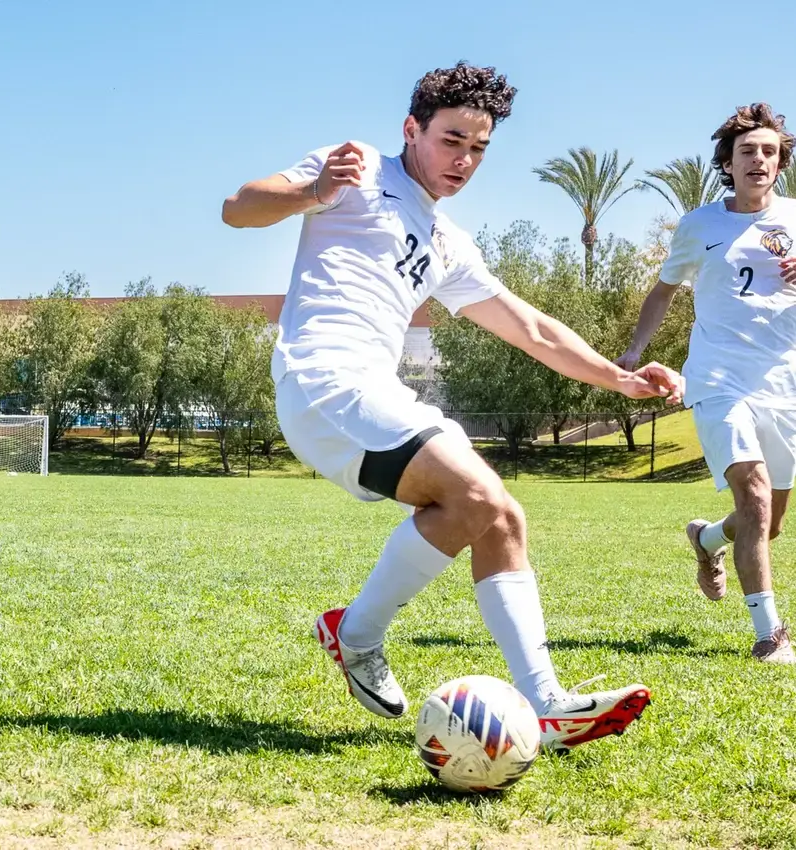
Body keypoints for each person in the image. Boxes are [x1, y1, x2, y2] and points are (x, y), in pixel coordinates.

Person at [223, 62, 683, 749]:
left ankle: (506, 691)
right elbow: (239, 208)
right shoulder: (355, 168)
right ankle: (374, 640)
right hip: (322, 378)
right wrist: (315, 190)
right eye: (450, 140)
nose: (464, 160)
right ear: (412, 130)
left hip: (371, 393)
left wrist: (618, 380)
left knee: (492, 514)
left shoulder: (447, 244)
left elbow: (529, 327)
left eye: (478, 148)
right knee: (478, 492)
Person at [617, 103, 796, 663]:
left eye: (769, 151)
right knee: (755, 497)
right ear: (728, 161)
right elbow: (664, 291)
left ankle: (707, 539)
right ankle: (770, 635)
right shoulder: (701, 225)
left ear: (781, 163)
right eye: (748, 151)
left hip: (785, 382)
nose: (759, 159)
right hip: (718, 375)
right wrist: (633, 351)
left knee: (766, 523)